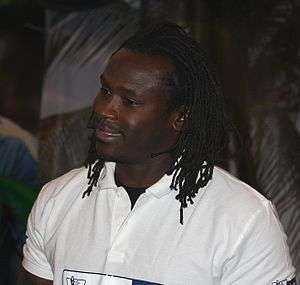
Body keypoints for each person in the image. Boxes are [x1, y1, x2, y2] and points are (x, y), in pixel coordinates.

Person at [21, 23, 296, 285]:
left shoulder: (245, 218)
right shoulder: (56, 199)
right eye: (105, 91)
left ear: (179, 117)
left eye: (129, 101)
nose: (105, 110)